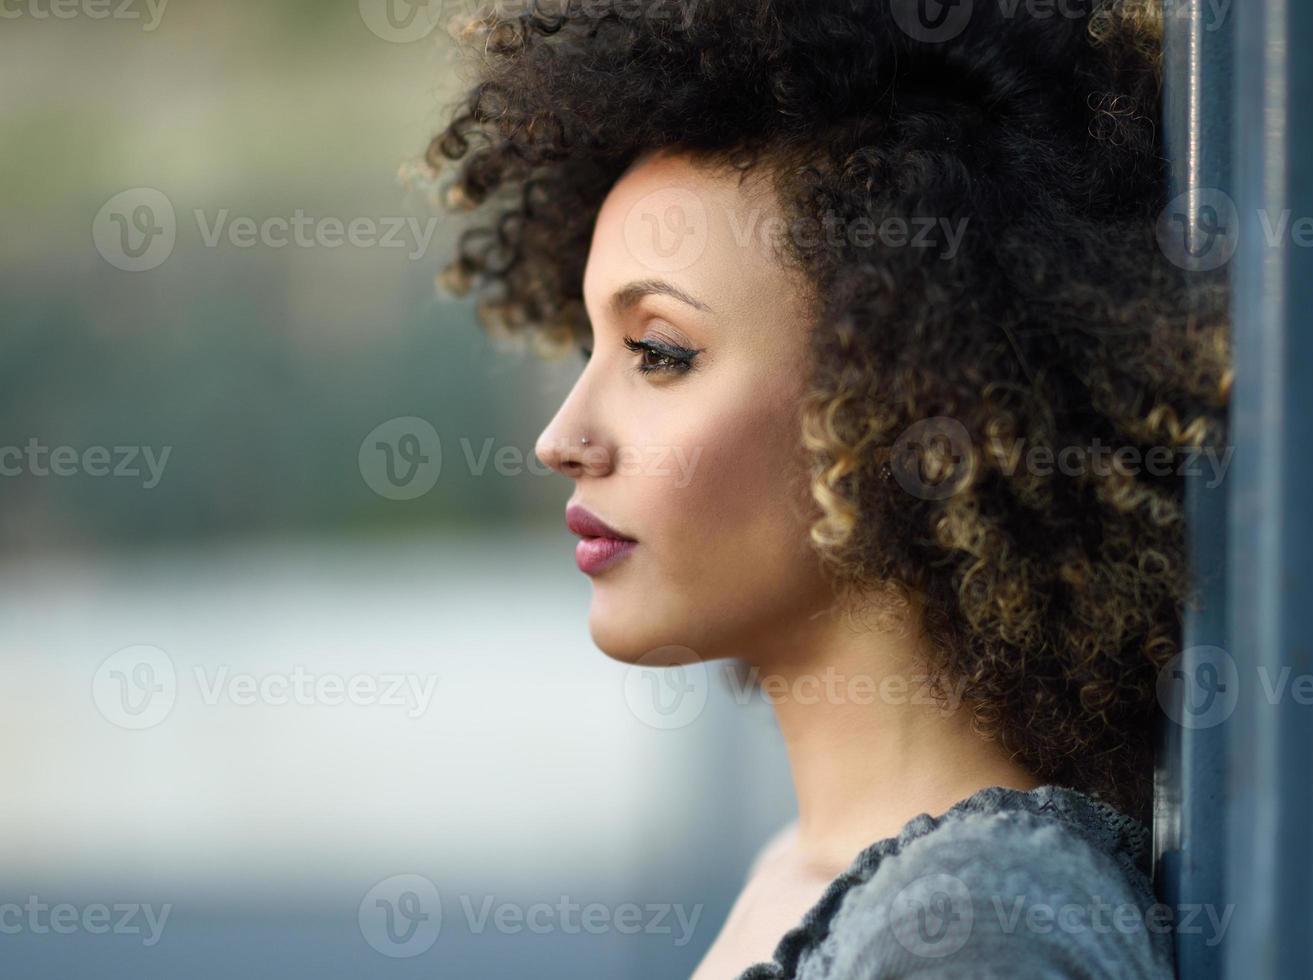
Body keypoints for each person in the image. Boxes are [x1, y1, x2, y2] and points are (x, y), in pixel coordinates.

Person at [427, 0, 1229, 975]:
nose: (564, 439)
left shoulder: (971, 931)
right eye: (592, 343)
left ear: (900, 391)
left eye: (659, 352)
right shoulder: (816, 876)